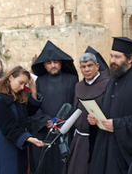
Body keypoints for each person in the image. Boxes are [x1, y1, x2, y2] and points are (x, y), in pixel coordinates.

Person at [88, 37, 132, 174]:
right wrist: (95, 118)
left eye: (117, 57)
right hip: (104, 144)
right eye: (111, 56)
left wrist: (117, 124)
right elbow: (107, 109)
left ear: (129, 59)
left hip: (123, 150)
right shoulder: (112, 80)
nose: (112, 61)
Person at [31, 40, 78, 174]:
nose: (53, 65)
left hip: (65, 130)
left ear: (61, 62)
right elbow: (34, 105)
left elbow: (76, 103)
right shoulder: (39, 81)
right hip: (44, 131)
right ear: (44, 65)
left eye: (56, 62)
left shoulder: (72, 79)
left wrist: (63, 122)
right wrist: (46, 121)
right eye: (49, 63)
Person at [0, 66, 45, 174]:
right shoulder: (0, 101)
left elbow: (31, 111)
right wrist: (29, 138)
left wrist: (33, 91)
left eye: (24, 84)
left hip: (19, 144)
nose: (22, 87)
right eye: (20, 83)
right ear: (11, 77)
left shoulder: (18, 97)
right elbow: (9, 128)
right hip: (7, 147)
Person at [66, 47, 110, 174]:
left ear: (97, 66)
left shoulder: (108, 84)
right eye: (83, 66)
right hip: (79, 138)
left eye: (90, 66)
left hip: (98, 138)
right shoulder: (78, 86)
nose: (87, 70)